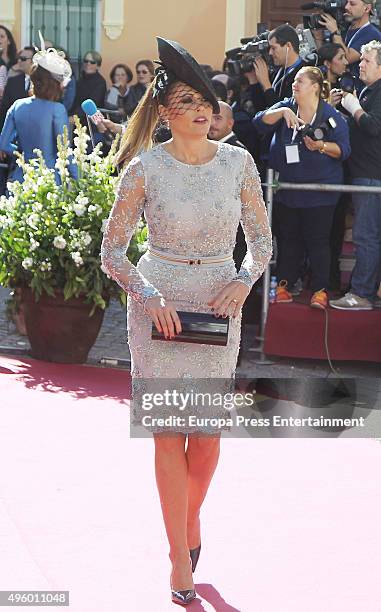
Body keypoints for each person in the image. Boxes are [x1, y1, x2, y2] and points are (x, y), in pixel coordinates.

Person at [101, 37, 272, 606]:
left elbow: (262, 242)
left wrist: (243, 282)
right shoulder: (145, 168)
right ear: (164, 111)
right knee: (169, 432)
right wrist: (147, 293)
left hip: (220, 303)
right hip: (160, 309)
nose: (201, 109)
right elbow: (113, 253)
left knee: (207, 441)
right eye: (185, 100)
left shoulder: (239, 162)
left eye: (206, 100)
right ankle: (179, 555)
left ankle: (188, 518)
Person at [253, 66, 351, 309]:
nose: (294, 85)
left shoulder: (331, 116)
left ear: (315, 87)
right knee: (288, 241)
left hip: (320, 193)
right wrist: (282, 111)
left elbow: (344, 151)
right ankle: (285, 286)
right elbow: (258, 123)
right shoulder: (286, 106)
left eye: (300, 81)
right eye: (294, 81)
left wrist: (320, 146)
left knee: (317, 241)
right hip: (288, 191)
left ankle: (320, 290)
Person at [330, 40, 381, 310]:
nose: (359, 64)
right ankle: (365, 289)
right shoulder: (369, 91)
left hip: (372, 175)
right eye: (360, 60)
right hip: (365, 173)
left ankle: (362, 293)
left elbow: (374, 127)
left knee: (366, 236)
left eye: (367, 61)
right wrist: (343, 109)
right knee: (367, 235)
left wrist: (354, 108)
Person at [0, 34, 76, 184]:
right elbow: (65, 151)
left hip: (21, 177)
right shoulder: (57, 109)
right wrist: (78, 179)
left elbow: (3, 144)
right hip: (48, 180)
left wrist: (23, 152)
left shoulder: (17, 105)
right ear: (54, 84)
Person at [319, 0, 381, 94]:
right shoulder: (344, 29)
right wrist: (317, 36)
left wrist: (335, 32)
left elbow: (347, 59)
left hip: (359, 95)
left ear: (367, 8)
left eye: (352, 4)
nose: (346, 7)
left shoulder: (372, 34)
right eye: (346, 3)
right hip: (336, 90)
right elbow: (325, 56)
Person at [246, 24, 305, 111]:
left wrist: (266, 85)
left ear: (288, 46)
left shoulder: (304, 74)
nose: (270, 53)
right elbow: (261, 110)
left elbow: (285, 113)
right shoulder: (276, 72)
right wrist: (254, 81)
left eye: (273, 48)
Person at [71, 50, 107, 145]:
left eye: (92, 62)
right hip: (79, 124)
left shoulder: (100, 82)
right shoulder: (81, 80)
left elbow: (92, 102)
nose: (88, 64)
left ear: (98, 66)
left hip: (93, 124)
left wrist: (74, 117)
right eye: (86, 61)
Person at [0, 46, 35, 130]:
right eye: (19, 58)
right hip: (15, 132)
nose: (19, 61)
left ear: (33, 61)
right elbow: (4, 110)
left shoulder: (44, 83)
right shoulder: (12, 82)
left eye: (23, 59)